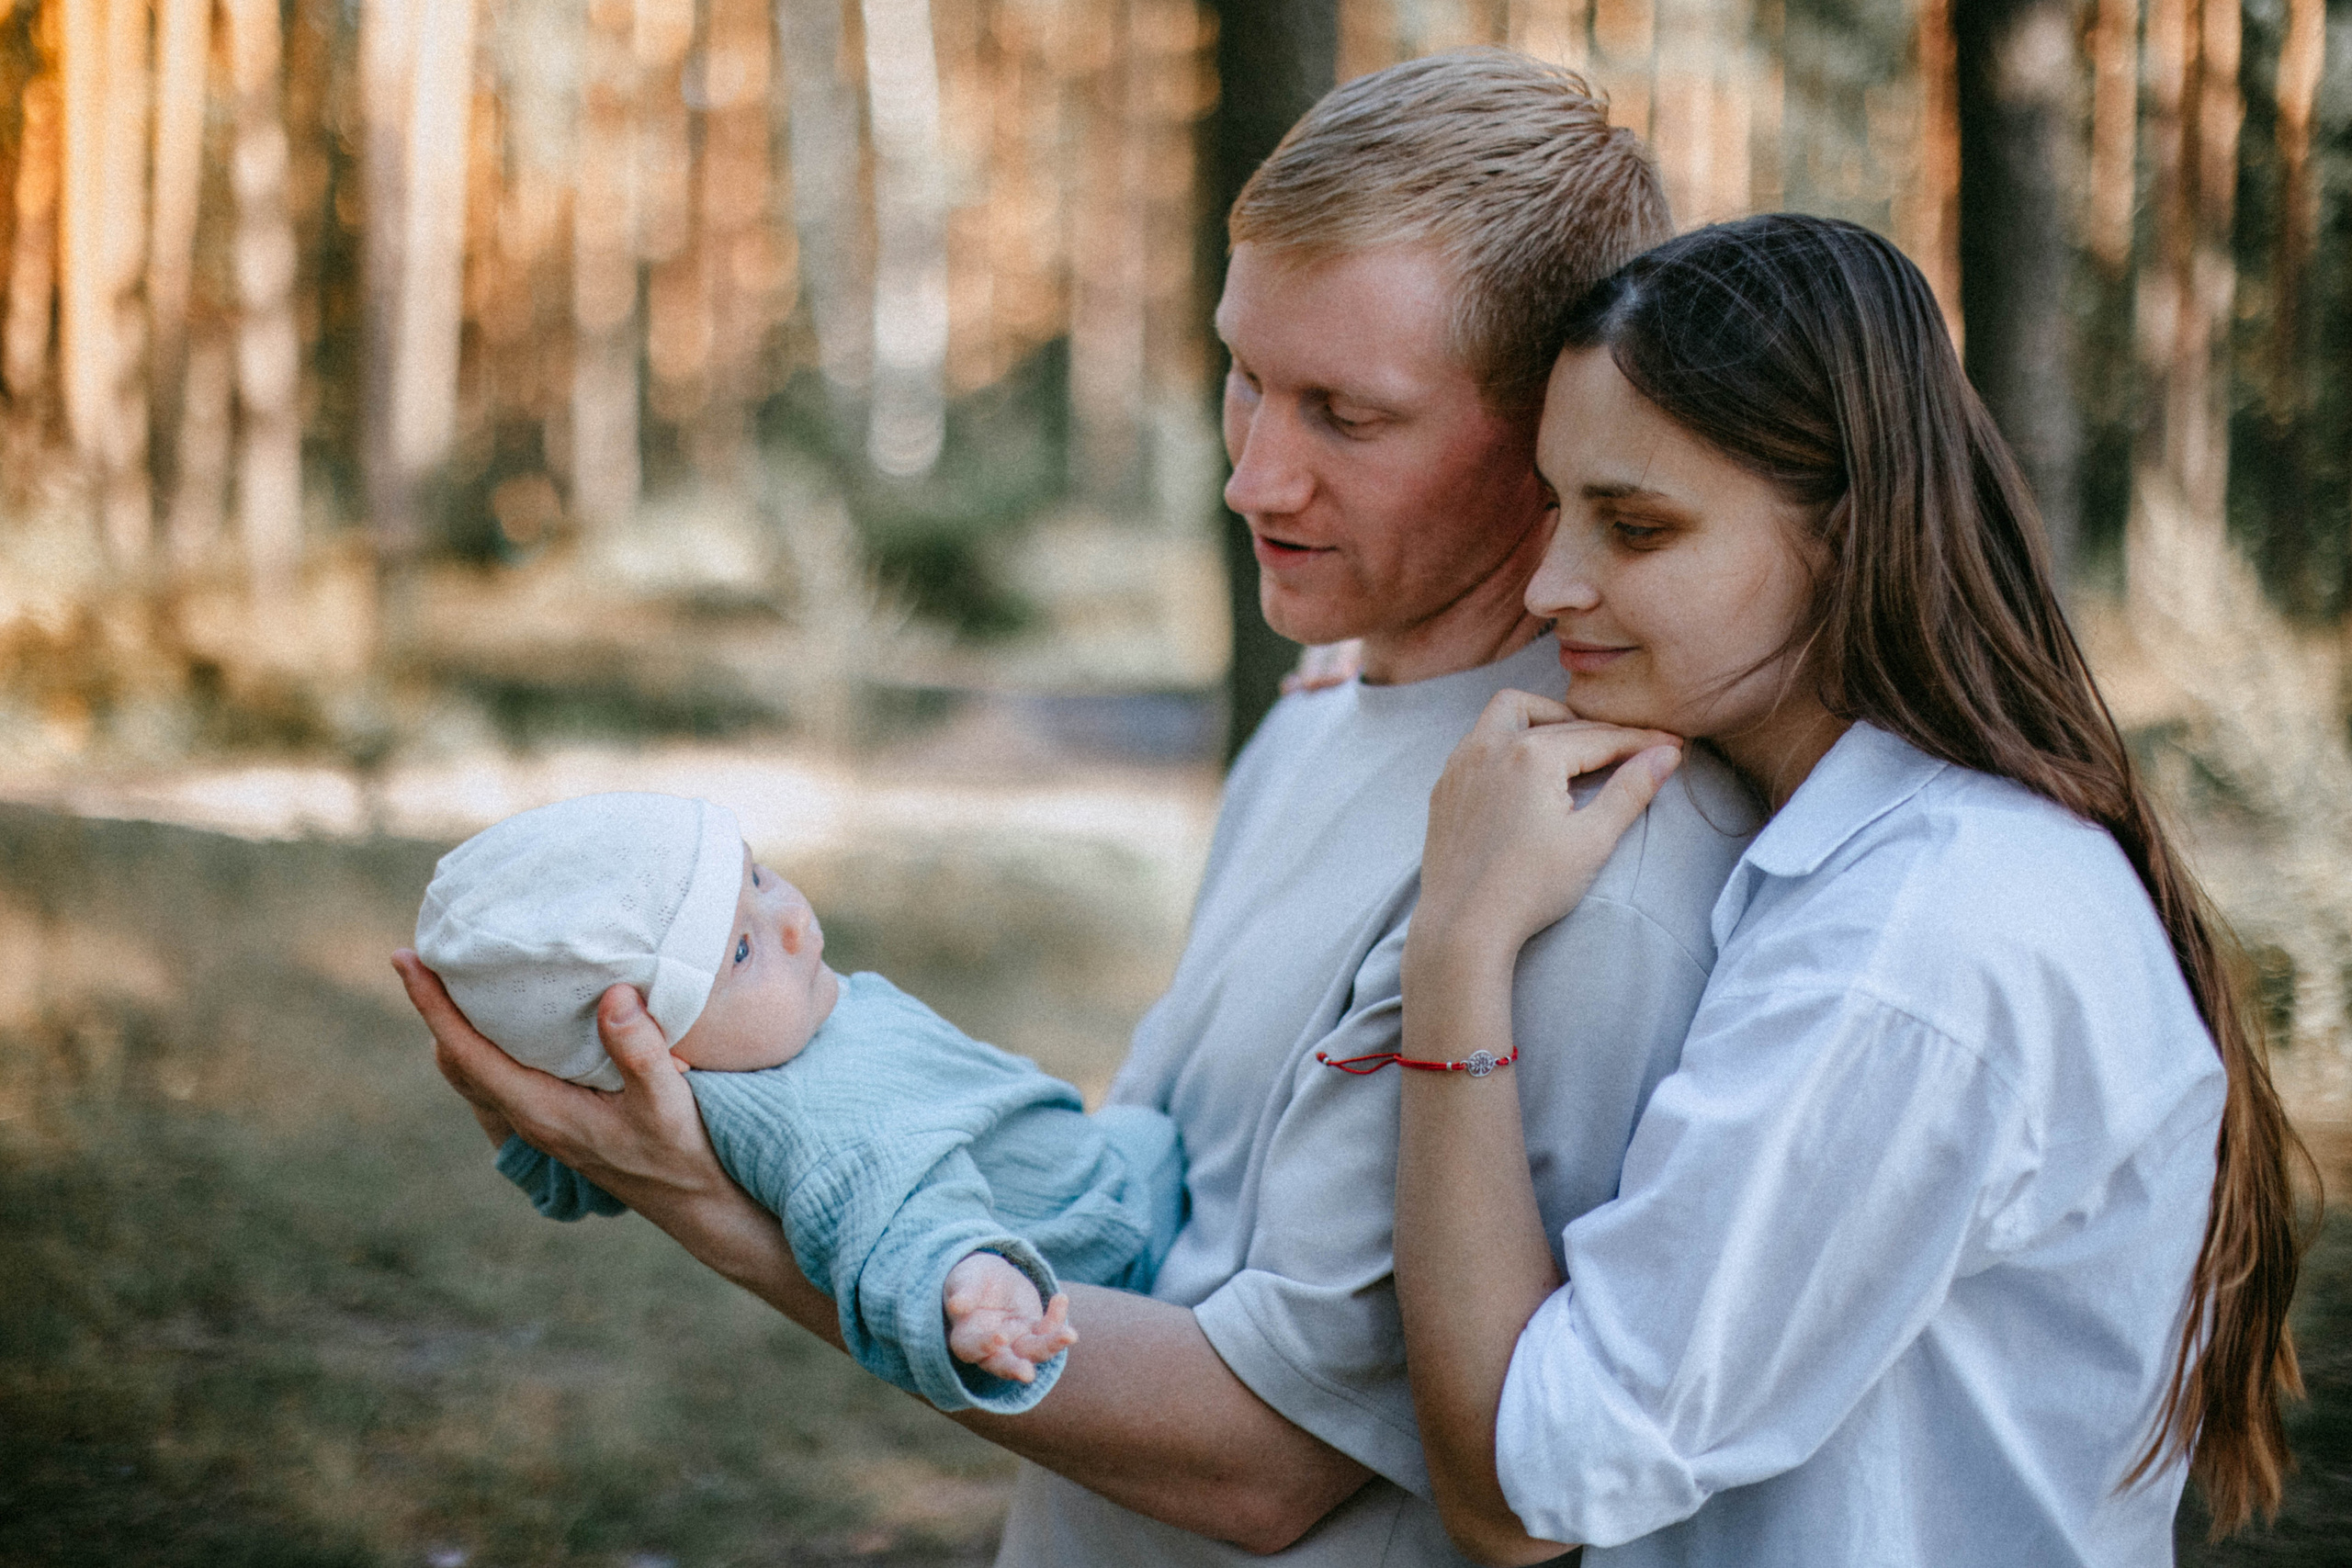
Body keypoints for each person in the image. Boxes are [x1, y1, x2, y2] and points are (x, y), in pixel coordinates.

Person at [396, 50, 1756, 1563]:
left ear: (1549, 433)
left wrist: (714, 1203)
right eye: (1246, 374)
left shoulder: (1587, 856)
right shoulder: (1320, 715)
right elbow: (1144, 1211)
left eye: (1345, 415)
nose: (1253, 477)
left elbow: (1274, 1460)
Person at [1390, 215, 2309, 1566]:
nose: (1551, 584)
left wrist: (1457, 948)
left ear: (1849, 535)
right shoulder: (1893, 850)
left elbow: (1518, 1489)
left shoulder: (1917, 947)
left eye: (1636, 526)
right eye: (1555, 506)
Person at [414, 791, 1183, 1413]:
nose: (789, 920)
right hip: (1129, 1231)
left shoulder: (762, 1045)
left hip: (1109, 1164)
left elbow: (585, 1169)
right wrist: (968, 1284)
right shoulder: (809, 1120)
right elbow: (894, 1221)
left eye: (757, 878)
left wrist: (500, 1106)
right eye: (741, 951)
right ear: (654, 1050)